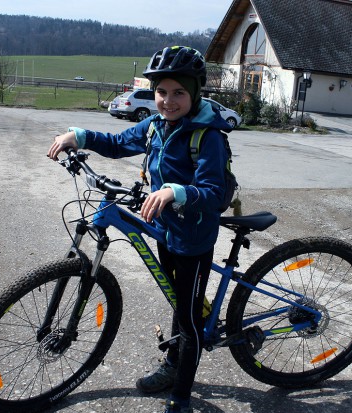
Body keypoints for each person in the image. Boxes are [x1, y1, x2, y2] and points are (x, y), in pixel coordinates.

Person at [48, 45, 233, 413]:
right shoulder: (154, 127)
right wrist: (81, 136)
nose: (167, 101)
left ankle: (180, 397)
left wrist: (175, 191)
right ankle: (175, 360)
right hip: (167, 230)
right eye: (161, 92)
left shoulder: (208, 136)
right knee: (178, 303)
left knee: (189, 318)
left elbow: (213, 191)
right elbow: (118, 143)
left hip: (193, 238)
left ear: (195, 92)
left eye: (178, 92)